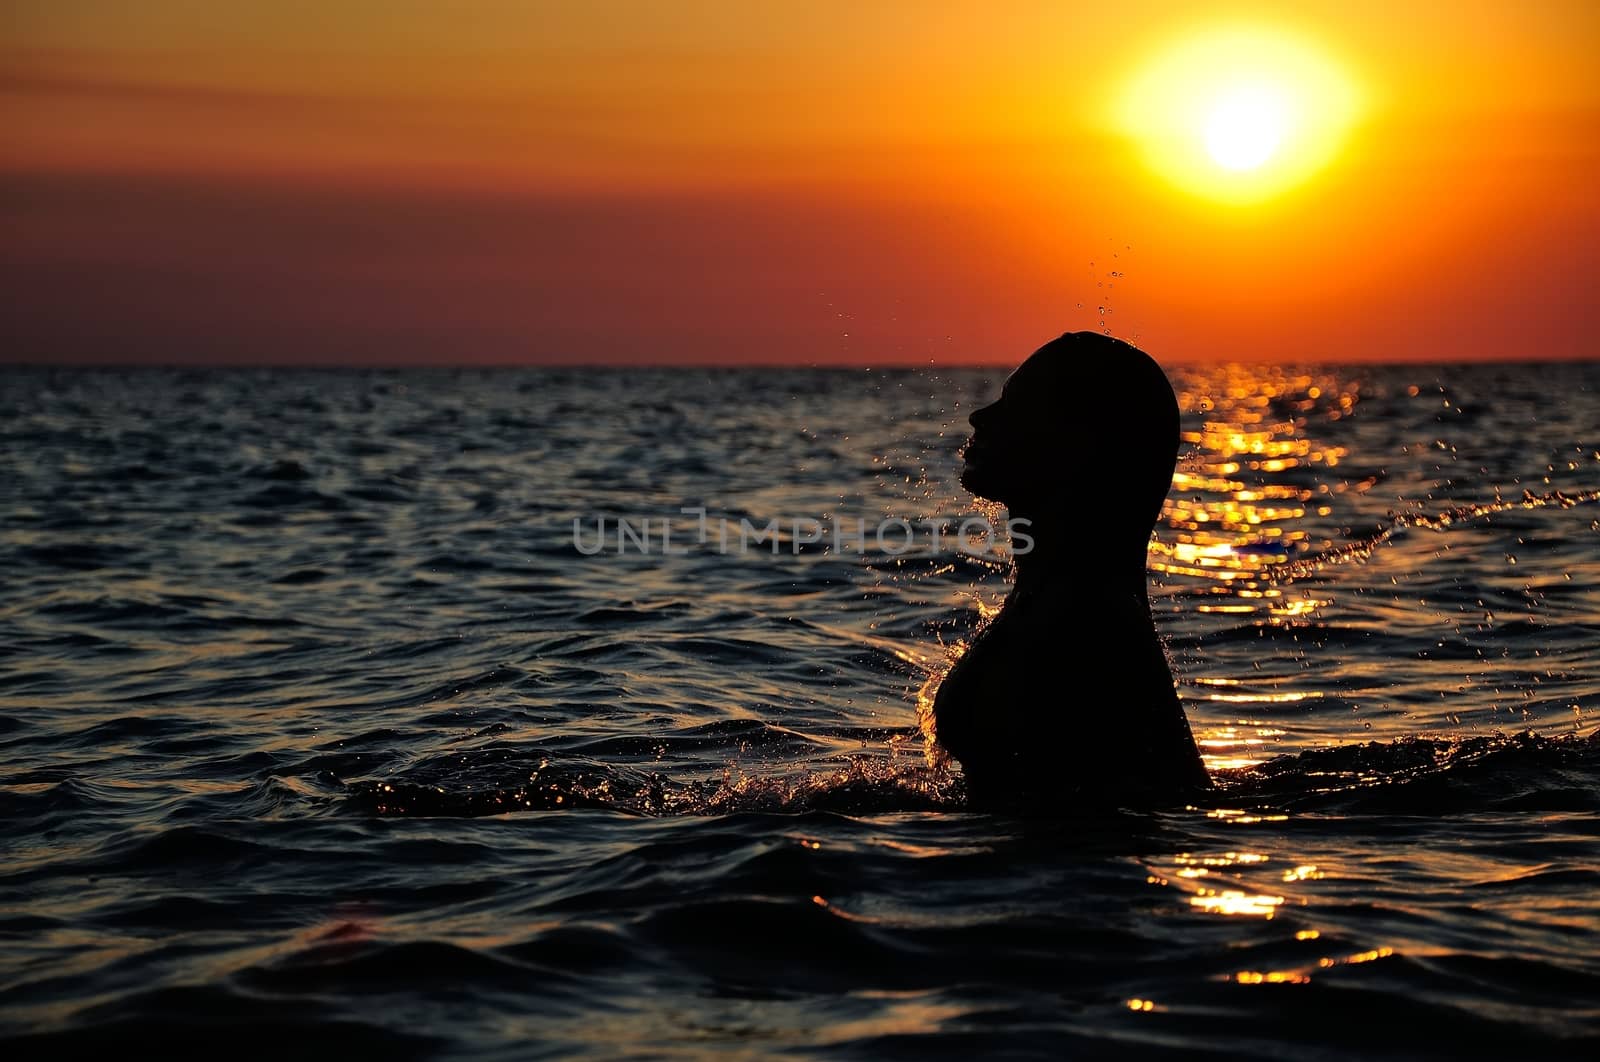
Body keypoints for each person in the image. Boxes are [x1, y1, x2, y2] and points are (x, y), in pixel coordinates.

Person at [928, 331, 1211, 805]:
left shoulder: (1084, 622)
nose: (981, 417)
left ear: (1076, 444)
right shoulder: (1064, 593)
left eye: (1016, 407)